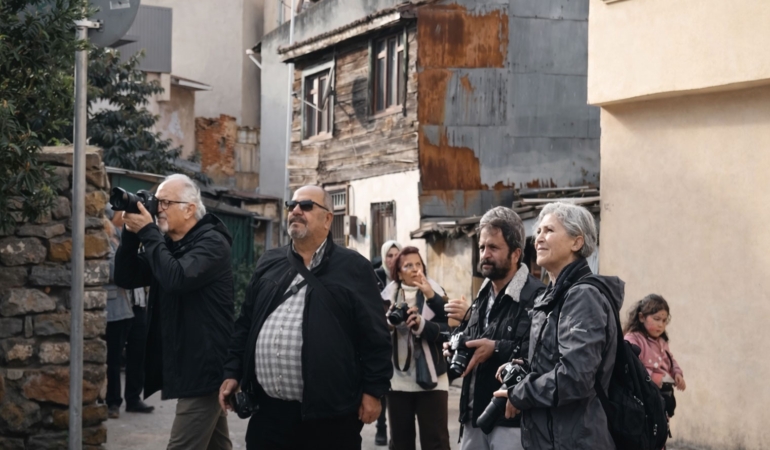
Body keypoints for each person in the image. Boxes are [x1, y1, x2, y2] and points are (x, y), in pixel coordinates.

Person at [219, 185, 392, 450]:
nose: (296, 210)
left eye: (307, 206)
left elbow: (375, 335)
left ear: (328, 219)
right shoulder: (269, 261)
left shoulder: (354, 267)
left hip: (330, 418)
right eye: (292, 205)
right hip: (268, 415)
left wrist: (373, 391)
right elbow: (246, 323)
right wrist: (233, 371)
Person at [115, 174, 234, 450]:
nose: (157, 208)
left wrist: (148, 232)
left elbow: (176, 278)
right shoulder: (170, 245)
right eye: (156, 201)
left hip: (204, 369)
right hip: (188, 364)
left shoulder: (212, 243)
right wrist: (131, 235)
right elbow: (126, 276)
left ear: (190, 209)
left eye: (165, 202)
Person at [493, 201, 624, 450]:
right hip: (550, 437)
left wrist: (520, 393)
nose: (538, 238)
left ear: (577, 242)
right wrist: (524, 367)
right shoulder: (552, 295)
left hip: (576, 440)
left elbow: (576, 377)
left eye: (549, 230)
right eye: (538, 231)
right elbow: (554, 363)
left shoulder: (583, 296)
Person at [444, 206, 545, 450]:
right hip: (473, 415)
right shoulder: (483, 294)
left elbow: (542, 353)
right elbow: (476, 339)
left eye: (493, 248)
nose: (485, 255)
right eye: (482, 247)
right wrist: (457, 345)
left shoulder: (537, 296)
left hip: (510, 420)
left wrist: (496, 348)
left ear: (516, 254)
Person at [385, 246, 450, 450]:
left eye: (418, 264)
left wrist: (422, 325)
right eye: (408, 265)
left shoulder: (436, 292)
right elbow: (373, 334)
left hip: (433, 378)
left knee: (436, 442)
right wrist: (388, 324)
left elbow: (449, 329)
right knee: (400, 443)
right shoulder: (387, 297)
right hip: (398, 381)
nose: (414, 269)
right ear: (398, 272)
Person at [106, 205, 153, 416]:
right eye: (121, 213)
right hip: (118, 305)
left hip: (139, 303)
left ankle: (134, 398)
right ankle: (113, 402)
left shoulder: (138, 237)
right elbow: (113, 272)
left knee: (138, 354)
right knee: (114, 356)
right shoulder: (107, 239)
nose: (126, 216)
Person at [624, 294, 686, 420]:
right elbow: (633, 367)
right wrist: (653, 377)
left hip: (664, 396)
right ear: (641, 317)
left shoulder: (662, 342)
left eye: (664, 320)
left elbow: (670, 360)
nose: (661, 325)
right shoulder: (633, 339)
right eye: (657, 319)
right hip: (644, 398)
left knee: (662, 426)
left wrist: (677, 373)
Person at [104, 217, 135, 419]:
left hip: (124, 309)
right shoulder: (106, 243)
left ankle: (115, 400)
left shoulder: (117, 240)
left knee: (116, 359)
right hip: (112, 310)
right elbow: (115, 272)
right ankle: (112, 400)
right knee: (112, 360)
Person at [374, 239, 403, 446]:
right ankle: (381, 426)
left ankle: (396, 429)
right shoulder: (376, 276)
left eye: (396, 255)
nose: (393, 259)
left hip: (402, 339)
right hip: (381, 336)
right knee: (383, 383)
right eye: (389, 255)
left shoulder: (406, 275)